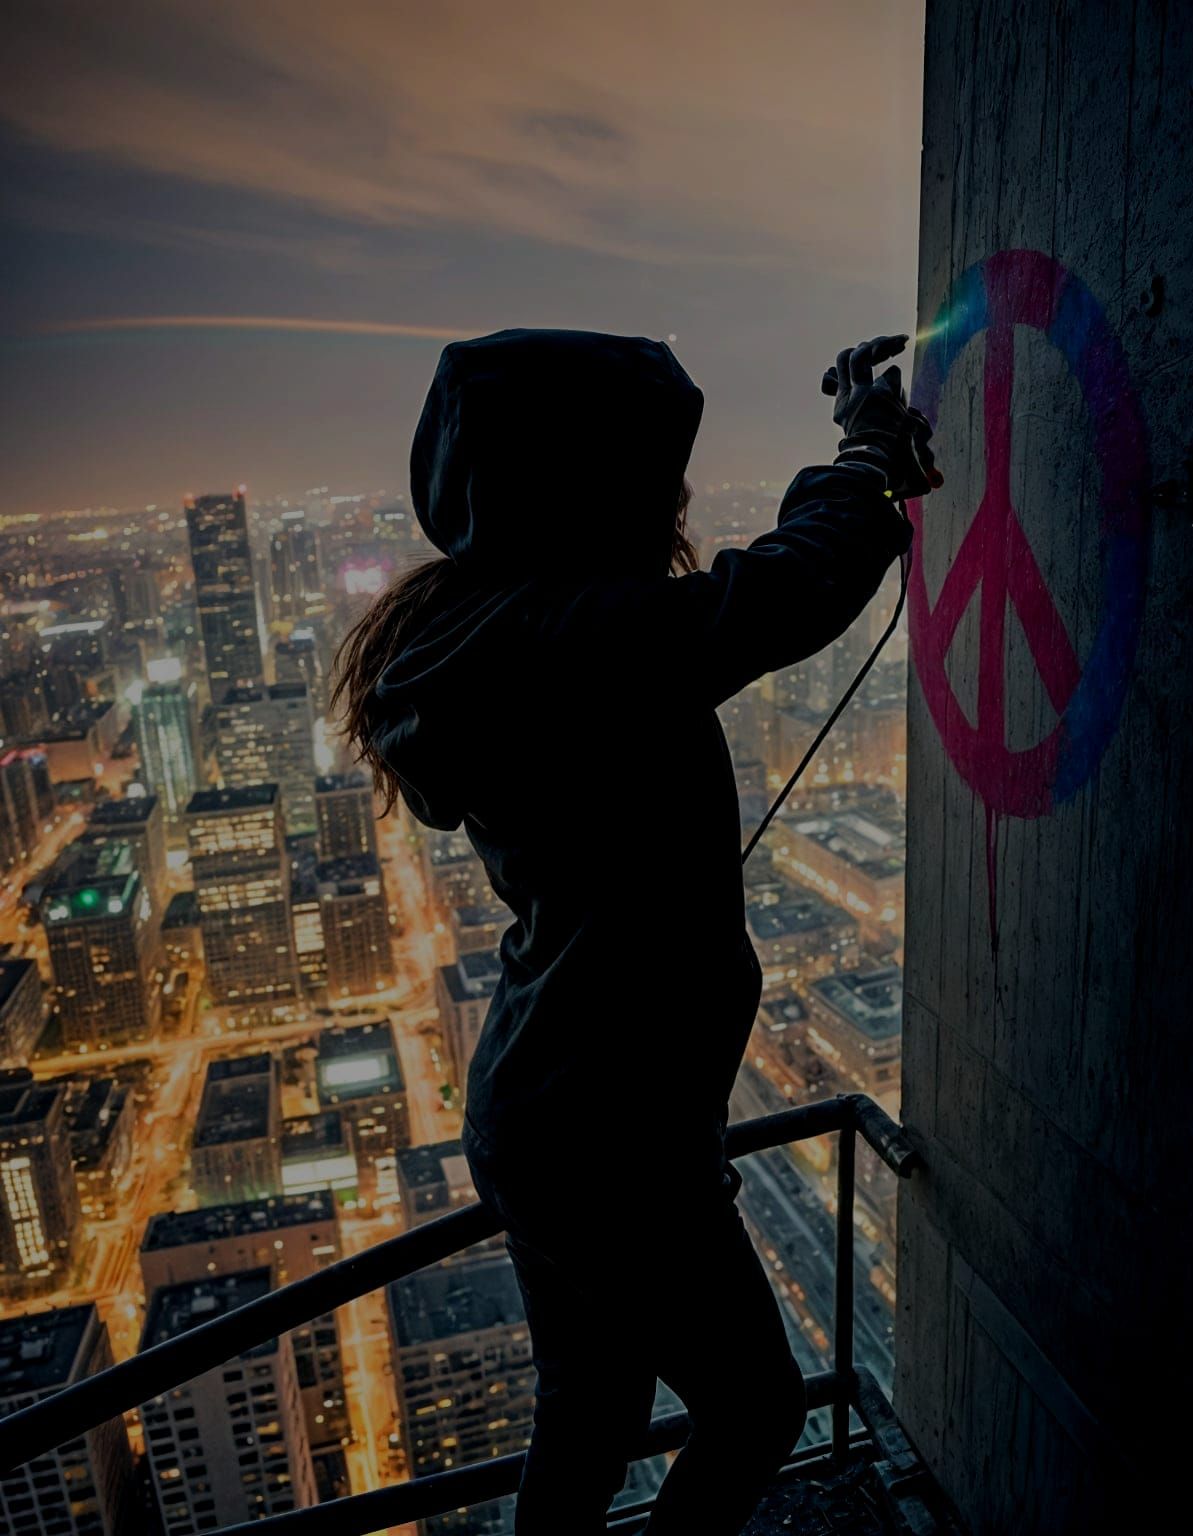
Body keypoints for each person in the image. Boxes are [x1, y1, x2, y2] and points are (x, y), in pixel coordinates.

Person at [330, 327, 938, 1533]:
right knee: (758, 1408)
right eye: (651, 474)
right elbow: (785, 591)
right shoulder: (568, 643)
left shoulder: (488, 632)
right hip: (609, 1128)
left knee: (590, 1415)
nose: (673, 497)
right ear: (577, 484)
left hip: (555, 1107)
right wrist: (866, 454)